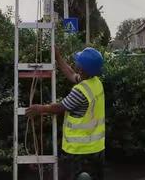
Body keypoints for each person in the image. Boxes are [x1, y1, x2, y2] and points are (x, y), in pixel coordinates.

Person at [25, 47, 105, 179]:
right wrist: (58, 57)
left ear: (82, 69)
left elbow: (60, 107)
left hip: (80, 151)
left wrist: (39, 109)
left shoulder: (80, 91)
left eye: (78, 62)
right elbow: (71, 74)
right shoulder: (95, 83)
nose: (76, 63)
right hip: (97, 149)